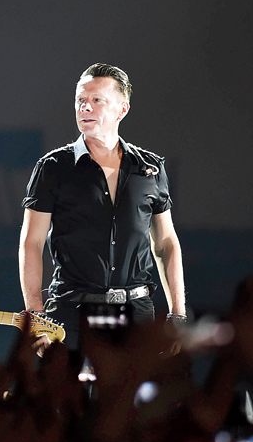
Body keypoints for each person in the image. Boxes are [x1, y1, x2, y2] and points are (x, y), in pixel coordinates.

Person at [19, 63, 186, 352]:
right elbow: (30, 243)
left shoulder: (149, 169)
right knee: (68, 397)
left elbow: (166, 243)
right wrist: (37, 315)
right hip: (70, 314)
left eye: (97, 100)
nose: (85, 108)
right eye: (81, 101)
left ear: (122, 109)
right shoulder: (53, 168)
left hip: (136, 314)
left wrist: (178, 315)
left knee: (133, 397)